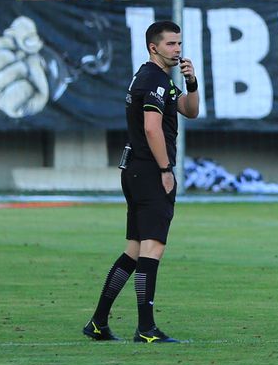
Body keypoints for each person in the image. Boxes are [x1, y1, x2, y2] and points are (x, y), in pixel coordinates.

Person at [83, 21, 200, 343]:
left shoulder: (156, 78)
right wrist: (165, 170)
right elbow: (152, 128)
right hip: (149, 171)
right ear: (154, 47)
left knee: (134, 250)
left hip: (135, 169)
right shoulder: (154, 80)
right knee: (153, 248)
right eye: (171, 44)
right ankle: (146, 328)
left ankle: (98, 322)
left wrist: (192, 82)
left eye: (179, 43)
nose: (178, 49)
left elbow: (190, 112)